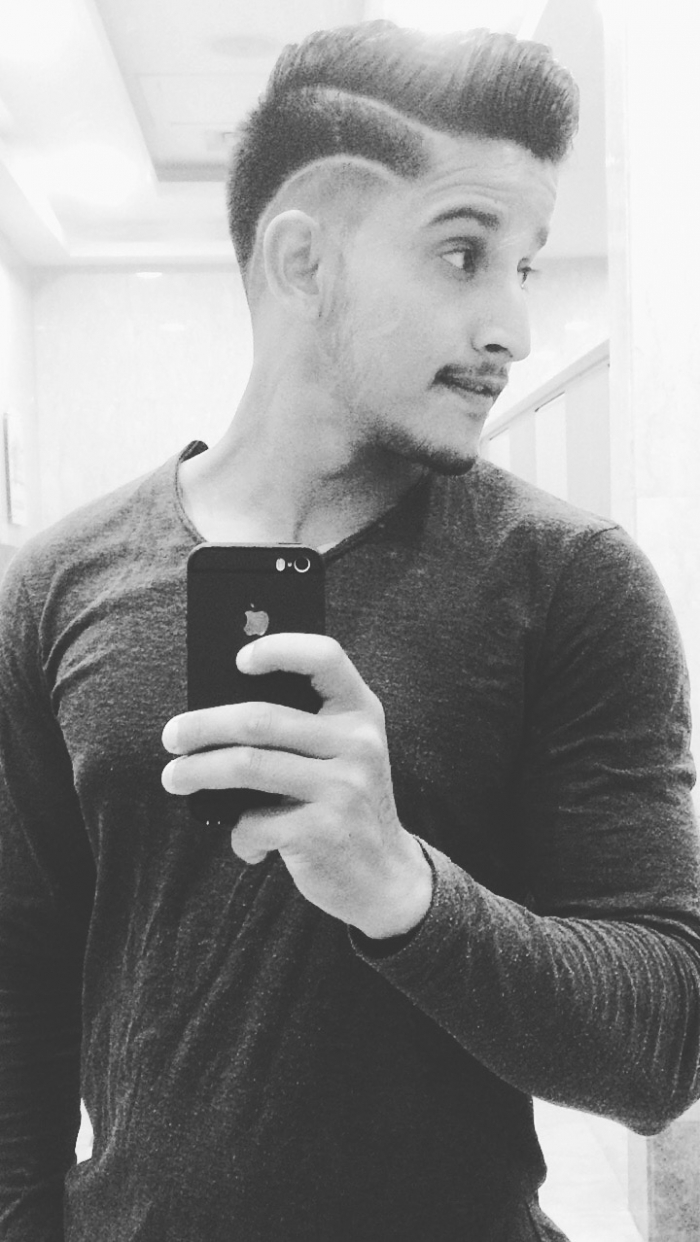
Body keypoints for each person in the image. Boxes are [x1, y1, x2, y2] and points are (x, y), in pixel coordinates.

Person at [1, 20, 699, 1242]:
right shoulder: (55, 586)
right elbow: (20, 980)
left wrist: (402, 888)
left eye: (525, 266)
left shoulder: (571, 582)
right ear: (303, 258)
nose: (513, 327)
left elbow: (661, 1045)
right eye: (463, 253)